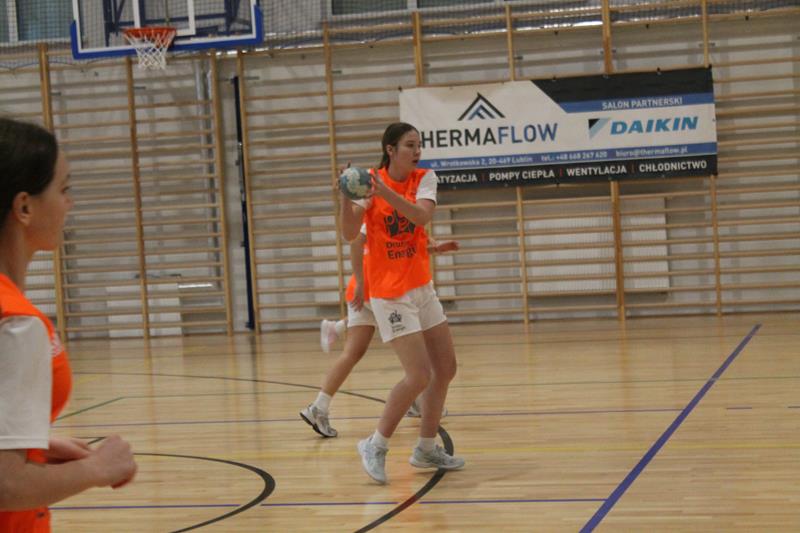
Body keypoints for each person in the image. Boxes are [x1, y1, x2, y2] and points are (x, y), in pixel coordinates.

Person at [0, 117, 138, 532]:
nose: (69, 204)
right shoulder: (17, 323)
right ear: (24, 207)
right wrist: (98, 468)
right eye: (63, 189)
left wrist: (29, 445)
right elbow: (6, 485)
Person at [340, 122, 465, 484]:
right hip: (389, 293)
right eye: (410, 145)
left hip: (420, 287)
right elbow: (349, 234)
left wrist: (384, 193)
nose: (417, 151)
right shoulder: (369, 183)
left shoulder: (424, 178)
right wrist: (346, 198)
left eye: (419, 145)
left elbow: (421, 216)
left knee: (446, 368)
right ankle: (375, 444)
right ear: (390, 150)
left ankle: (426, 448)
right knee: (418, 375)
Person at [301, 230, 458, 437]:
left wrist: (433, 248)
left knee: (352, 353)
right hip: (380, 290)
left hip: (363, 289)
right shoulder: (380, 217)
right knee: (415, 351)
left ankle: (319, 406)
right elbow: (361, 243)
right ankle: (417, 403)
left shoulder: (401, 221)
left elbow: (404, 250)